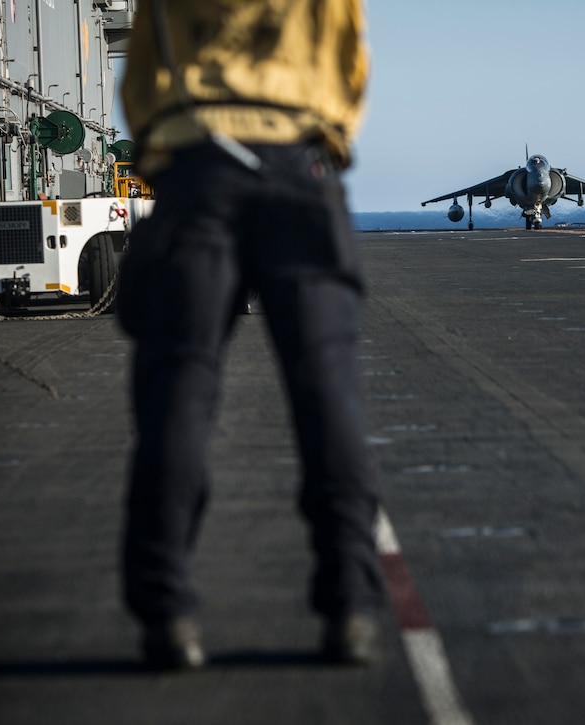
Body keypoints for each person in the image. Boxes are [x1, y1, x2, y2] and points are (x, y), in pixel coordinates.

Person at [116, 0, 383, 670]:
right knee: (329, 391)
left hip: (196, 171)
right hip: (300, 166)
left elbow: (142, 69)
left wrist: (173, 160)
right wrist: (328, 138)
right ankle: (350, 609)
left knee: (179, 388)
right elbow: (350, 56)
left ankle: (167, 615)